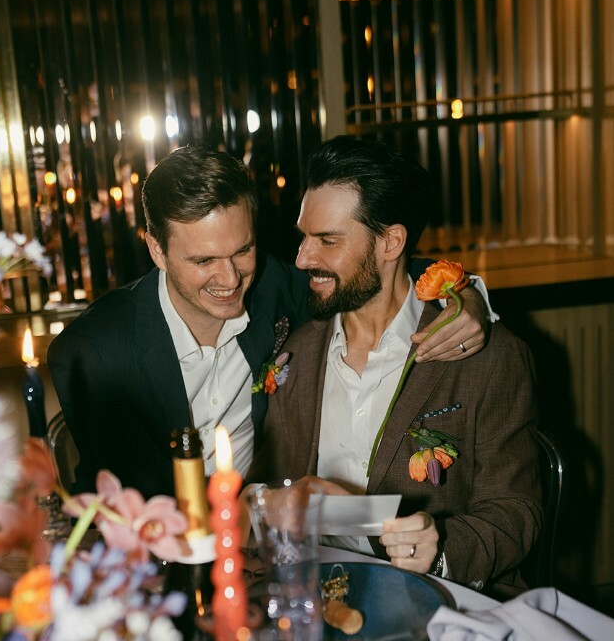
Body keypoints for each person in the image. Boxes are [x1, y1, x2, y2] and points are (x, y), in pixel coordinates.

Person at [48, 145, 490, 500]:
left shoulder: (273, 287)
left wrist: (463, 293)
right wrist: (261, 504)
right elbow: (139, 501)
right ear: (157, 250)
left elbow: (368, 271)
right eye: (203, 260)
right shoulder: (95, 353)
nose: (230, 279)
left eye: (242, 250)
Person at [255, 136, 542, 600]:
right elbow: (265, 487)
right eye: (304, 237)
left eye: (327, 240)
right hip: (312, 605)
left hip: (438, 606)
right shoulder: (295, 354)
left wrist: (442, 547)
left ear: (391, 241)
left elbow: (515, 514)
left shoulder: (488, 358)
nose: (303, 258)